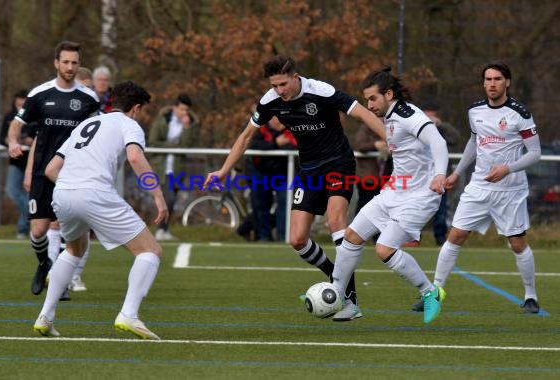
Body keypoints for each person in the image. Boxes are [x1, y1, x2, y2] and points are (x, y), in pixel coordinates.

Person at [204, 55, 386, 321]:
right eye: (275, 85)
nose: (280, 91)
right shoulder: (270, 101)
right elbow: (245, 137)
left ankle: (347, 299)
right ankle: (337, 280)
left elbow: (363, 113)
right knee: (297, 239)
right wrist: (223, 170)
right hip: (309, 169)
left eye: (283, 84)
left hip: (339, 163)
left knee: (336, 220)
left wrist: (392, 142)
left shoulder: (321, 91)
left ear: (296, 77)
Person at [32, 80, 167, 340]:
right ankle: (129, 313)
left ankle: (45, 316)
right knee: (150, 250)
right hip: (94, 193)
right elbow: (136, 158)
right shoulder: (129, 125)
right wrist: (158, 196)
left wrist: (74, 188)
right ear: (136, 108)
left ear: (112, 101)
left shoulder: (86, 123)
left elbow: (51, 170)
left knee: (73, 250)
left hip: (63, 192)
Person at [330, 67, 449, 324]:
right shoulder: (389, 116)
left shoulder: (408, 115)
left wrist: (440, 174)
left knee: (384, 248)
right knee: (351, 236)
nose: (369, 105)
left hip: (420, 197)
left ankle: (430, 292)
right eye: (366, 100)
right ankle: (338, 297)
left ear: (389, 94)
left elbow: (438, 142)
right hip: (394, 191)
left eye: (373, 98)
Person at [431, 62, 542, 314]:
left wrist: (508, 168)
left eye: (498, 79)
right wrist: (458, 172)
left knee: (516, 242)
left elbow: (534, 153)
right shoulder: (474, 110)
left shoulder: (519, 113)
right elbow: (473, 141)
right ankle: (434, 293)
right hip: (478, 186)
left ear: (507, 82)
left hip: (510, 190)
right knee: (455, 235)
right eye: (488, 79)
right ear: (483, 83)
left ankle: (531, 296)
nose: (492, 83)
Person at [8, 41, 100, 299]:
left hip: (73, 173)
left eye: (75, 63)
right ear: (56, 63)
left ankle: (60, 281)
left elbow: (99, 132)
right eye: (66, 62)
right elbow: (17, 125)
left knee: (65, 228)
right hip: (41, 173)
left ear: (78, 64)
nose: (70, 67)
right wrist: (14, 142)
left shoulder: (88, 98)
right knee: (38, 231)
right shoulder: (40, 94)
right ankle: (42, 265)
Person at [148, 93, 198, 241]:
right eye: (181, 109)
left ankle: (164, 230)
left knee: (172, 200)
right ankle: (160, 230)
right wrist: (172, 146)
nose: (184, 113)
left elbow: (186, 145)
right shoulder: (162, 120)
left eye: (186, 110)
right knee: (167, 198)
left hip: (177, 169)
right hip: (161, 168)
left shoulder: (189, 123)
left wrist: (187, 127)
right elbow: (153, 142)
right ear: (175, 107)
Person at [247, 115, 297, 241]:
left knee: (285, 203)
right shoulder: (258, 128)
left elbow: (295, 146)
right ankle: (264, 236)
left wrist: (274, 145)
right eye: (274, 117)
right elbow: (253, 146)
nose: (277, 120)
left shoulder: (292, 129)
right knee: (260, 205)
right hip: (260, 172)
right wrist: (276, 143)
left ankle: (283, 236)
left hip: (283, 173)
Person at [423, 104, 461, 246]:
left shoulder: (441, 130)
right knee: (416, 205)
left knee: (441, 207)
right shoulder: (415, 129)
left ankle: (440, 236)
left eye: (432, 116)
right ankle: (413, 236)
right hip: (421, 175)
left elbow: (455, 138)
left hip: (440, 175)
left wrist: (440, 125)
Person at [0, 90, 36, 239]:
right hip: (15, 161)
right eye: (18, 104)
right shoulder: (9, 116)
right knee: (12, 190)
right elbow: (2, 137)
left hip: (31, 161)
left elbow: (39, 136)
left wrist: (30, 140)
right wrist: (10, 141)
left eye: (23, 104)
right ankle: (30, 215)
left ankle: (22, 228)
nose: (20, 107)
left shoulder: (34, 116)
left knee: (29, 194)